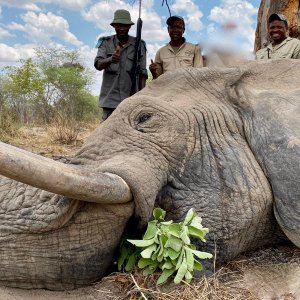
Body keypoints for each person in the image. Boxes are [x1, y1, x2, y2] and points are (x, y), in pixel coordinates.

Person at [94, 9, 148, 121]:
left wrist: (141, 97)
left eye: (125, 25)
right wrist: (110, 59)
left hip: (131, 100)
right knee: (107, 135)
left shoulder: (139, 44)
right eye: (119, 25)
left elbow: (142, 72)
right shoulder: (105, 42)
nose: (122, 28)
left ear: (130, 27)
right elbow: (98, 64)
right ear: (114, 26)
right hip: (110, 101)